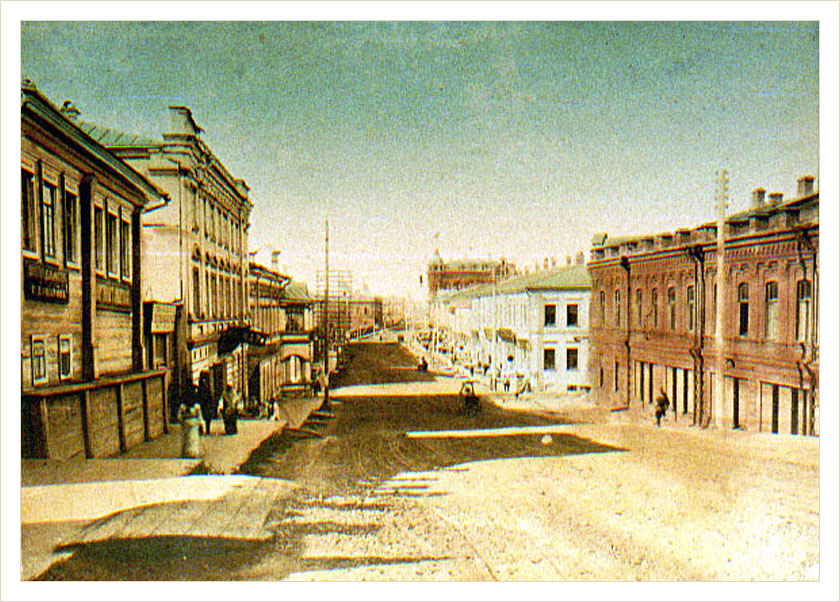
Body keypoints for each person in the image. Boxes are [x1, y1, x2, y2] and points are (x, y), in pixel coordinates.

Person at [197, 371, 215, 436]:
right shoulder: (203, 385)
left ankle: (207, 429)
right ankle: (203, 429)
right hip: (204, 403)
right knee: (203, 417)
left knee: (206, 417)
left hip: (206, 403)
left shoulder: (206, 384)